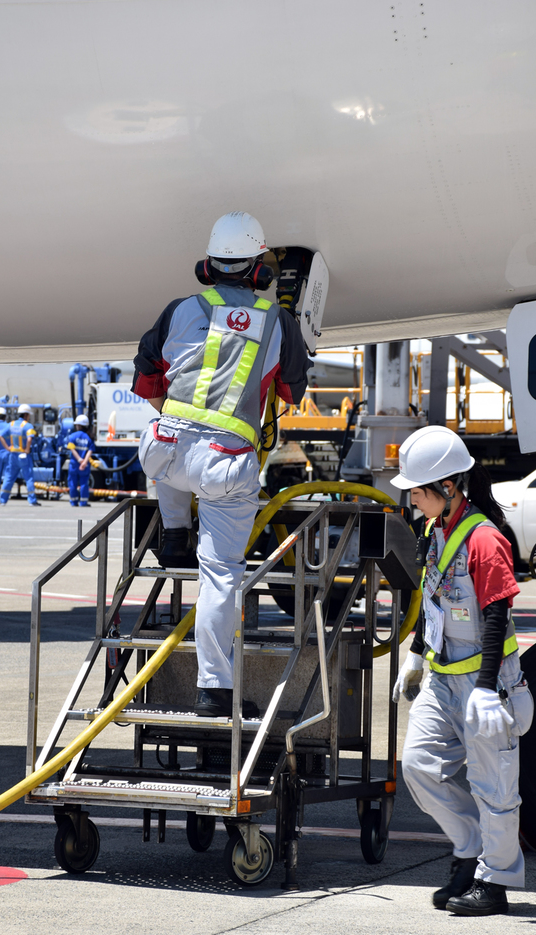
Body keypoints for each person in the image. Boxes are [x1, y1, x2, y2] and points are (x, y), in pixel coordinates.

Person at [133, 211, 311, 718]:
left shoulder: (177, 310)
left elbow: (148, 380)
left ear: (207, 266)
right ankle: (214, 690)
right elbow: (291, 391)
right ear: (259, 271)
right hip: (225, 465)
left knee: (165, 443)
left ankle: (172, 535)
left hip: (167, 452)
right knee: (220, 574)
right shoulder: (278, 321)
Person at [391, 425, 533, 917]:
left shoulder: (486, 539)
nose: (411, 497)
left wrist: (489, 689)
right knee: (419, 767)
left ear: (447, 488)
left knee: (494, 785)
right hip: (443, 676)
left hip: (485, 681)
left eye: (417, 489)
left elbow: (497, 616)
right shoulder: (434, 531)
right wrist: (416, 655)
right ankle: (471, 851)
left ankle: (494, 883)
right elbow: (433, 603)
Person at [0, 404, 41, 507]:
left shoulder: (11, 424)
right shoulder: (28, 426)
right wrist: (27, 449)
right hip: (23, 456)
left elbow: (0, 436)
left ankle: (3, 500)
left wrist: (7, 448)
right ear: (26, 415)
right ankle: (32, 500)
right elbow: (30, 438)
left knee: (9, 477)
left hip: (13, 455)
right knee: (29, 478)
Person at [66, 414, 95, 507]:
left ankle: (74, 502)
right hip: (84, 465)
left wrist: (79, 460)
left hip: (74, 464)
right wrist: (84, 462)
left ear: (78, 425)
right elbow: (90, 451)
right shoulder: (88, 438)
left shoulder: (72, 436)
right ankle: (83, 502)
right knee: (84, 483)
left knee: (72, 483)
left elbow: (72, 449)